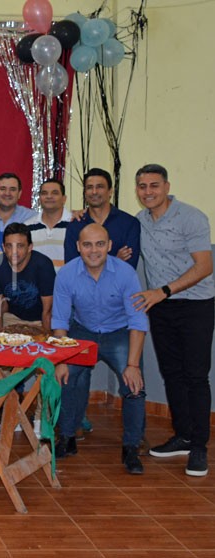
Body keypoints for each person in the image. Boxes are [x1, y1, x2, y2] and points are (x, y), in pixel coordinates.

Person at [132, 164, 215, 477]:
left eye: (154, 185)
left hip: (195, 305)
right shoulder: (141, 221)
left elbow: (204, 266)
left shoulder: (191, 217)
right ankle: (182, 435)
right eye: (142, 186)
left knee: (196, 375)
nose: (148, 191)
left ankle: (199, 448)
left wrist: (163, 291)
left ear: (166, 186)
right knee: (172, 373)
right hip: (161, 307)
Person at [52, 224, 148, 475]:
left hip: (119, 333)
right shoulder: (66, 274)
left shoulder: (126, 274)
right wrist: (61, 360)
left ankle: (131, 447)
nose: (93, 251)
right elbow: (60, 320)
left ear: (109, 245)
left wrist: (133, 365)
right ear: (78, 247)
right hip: (82, 332)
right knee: (66, 377)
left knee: (134, 386)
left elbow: (138, 321)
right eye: (87, 245)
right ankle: (67, 438)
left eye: (99, 244)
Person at [63, 167, 140, 269]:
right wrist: (115, 261)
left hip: (119, 285)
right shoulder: (76, 225)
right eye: (90, 187)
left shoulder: (129, 223)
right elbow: (72, 269)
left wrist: (90, 264)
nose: (94, 192)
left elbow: (128, 268)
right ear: (85, 193)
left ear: (110, 191)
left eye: (100, 187)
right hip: (83, 285)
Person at [0, 223, 55, 333]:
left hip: (39, 321)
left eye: (20, 246)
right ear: (3, 247)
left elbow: (48, 311)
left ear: (30, 247)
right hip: (11, 319)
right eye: (9, 246)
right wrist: (0, 339)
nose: (14, 252)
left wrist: (47, 341)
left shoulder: (43, 265)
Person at [25, 178, 71, 271]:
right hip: (36, 284)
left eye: (55, 193)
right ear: (39, 199)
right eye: (44, 193)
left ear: (64, 199)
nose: (49, 196)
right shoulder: (27, 227)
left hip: (68, 284)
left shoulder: (74, 224)